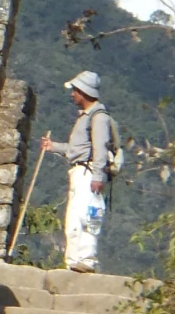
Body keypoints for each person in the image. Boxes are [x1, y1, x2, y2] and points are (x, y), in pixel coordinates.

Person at [40, 70, 118, 273]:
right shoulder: (85, 118)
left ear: (83, 92)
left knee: (88, 217)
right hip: (80, 173)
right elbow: (76, 150)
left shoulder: (98, 117)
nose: (72, 94)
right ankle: (74, 261)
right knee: (74, 219)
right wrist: (53, 146)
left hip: (88, 174)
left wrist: (98, 176)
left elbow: (100, 147)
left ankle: (87, 259)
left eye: (75, 90)